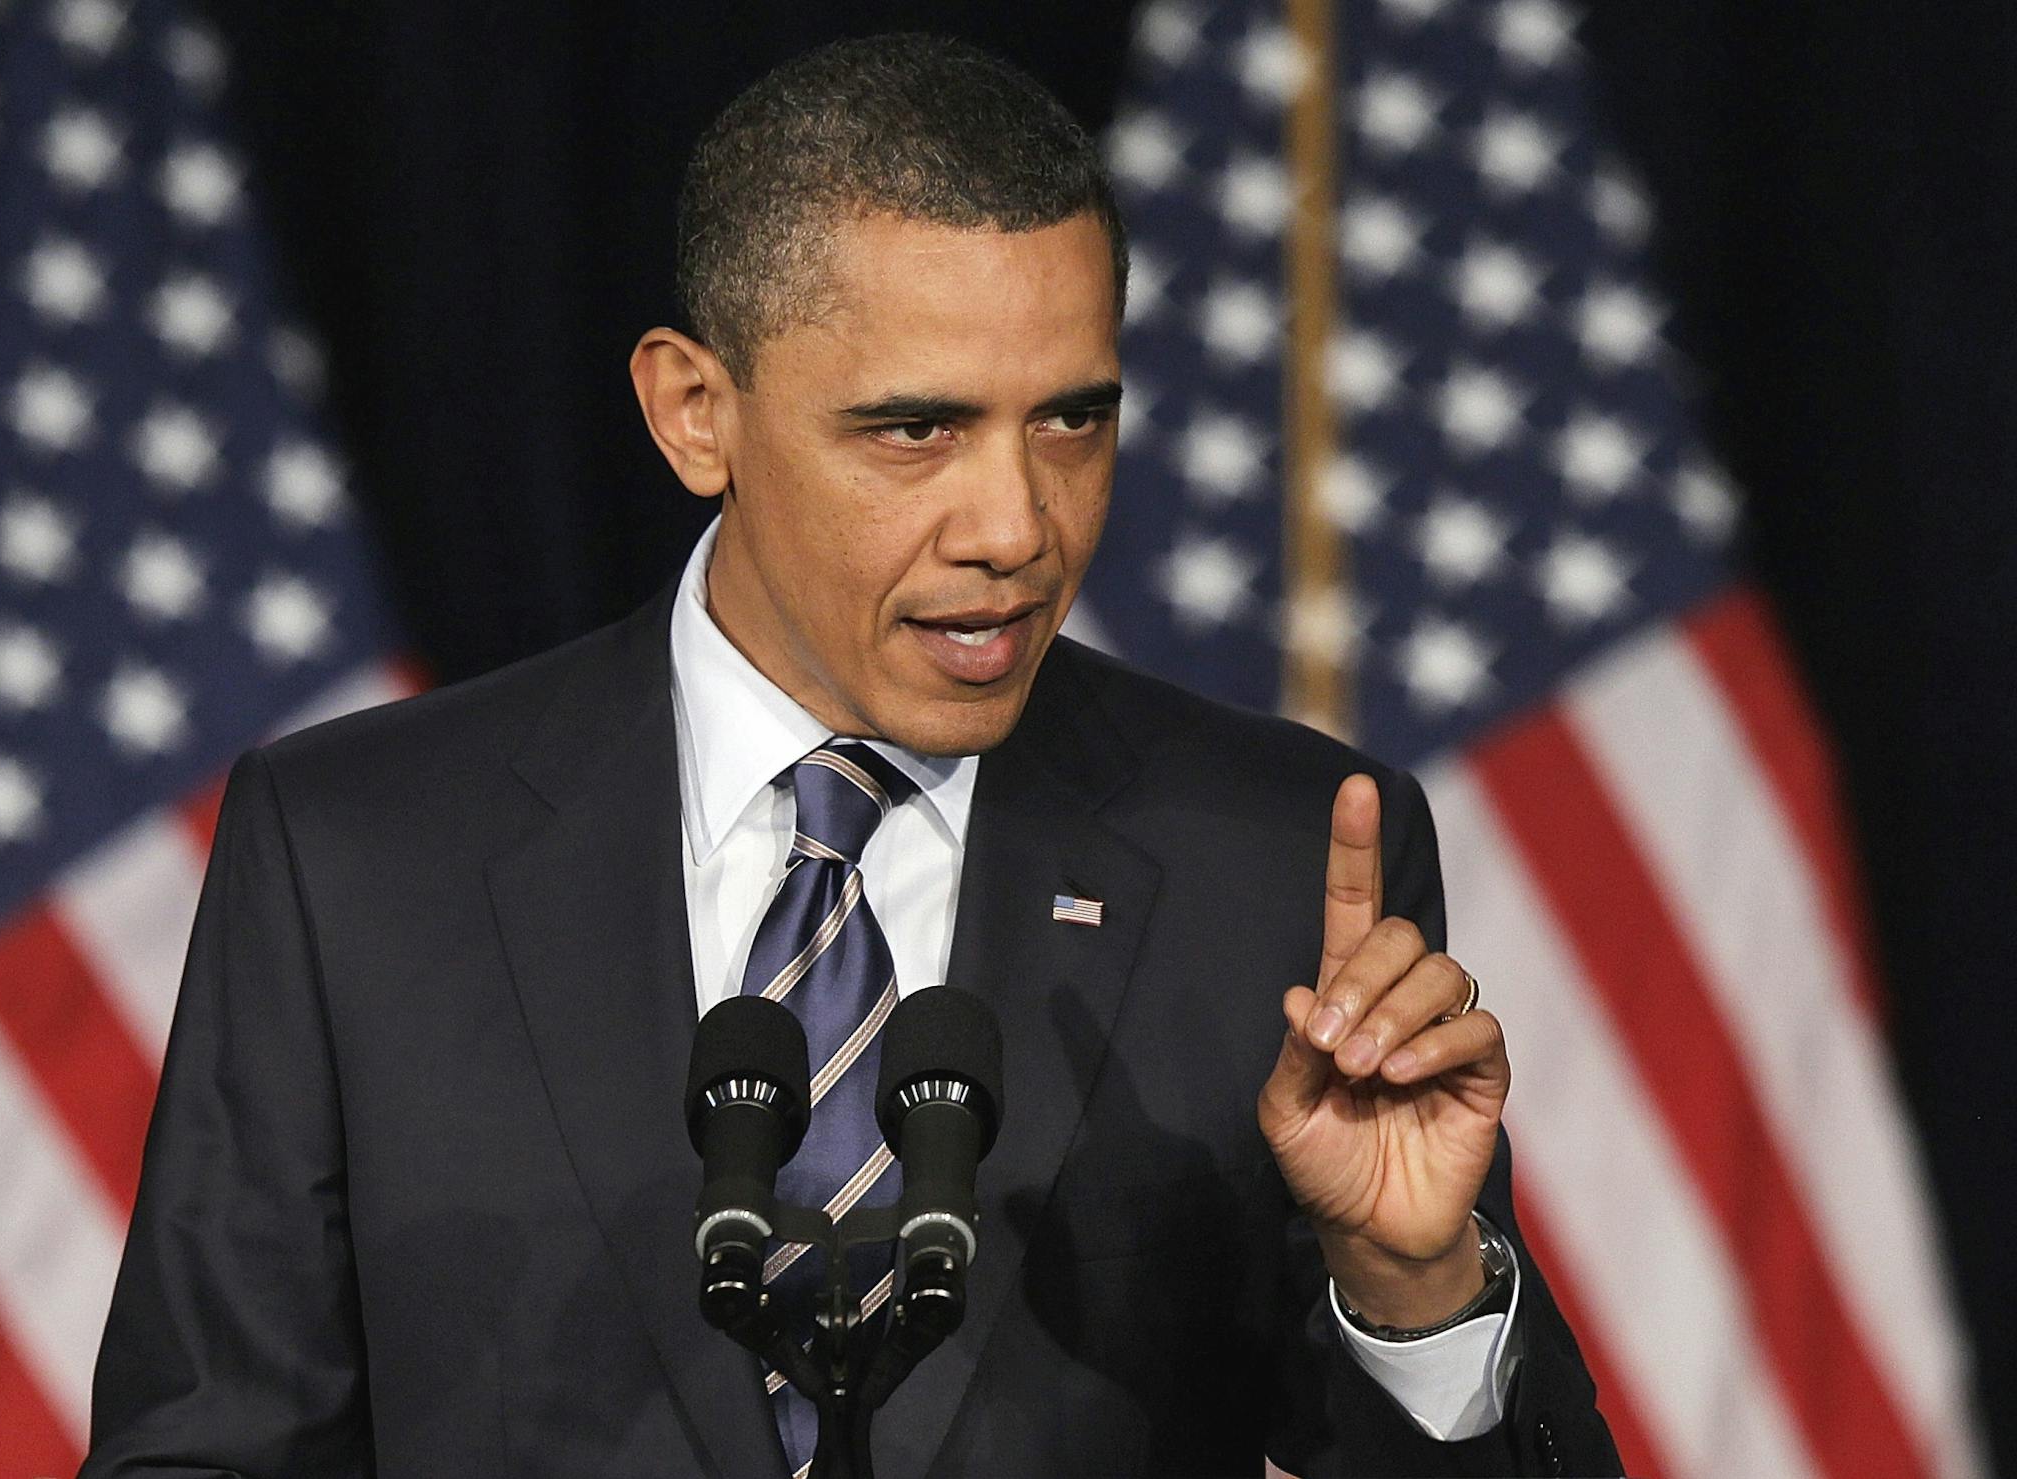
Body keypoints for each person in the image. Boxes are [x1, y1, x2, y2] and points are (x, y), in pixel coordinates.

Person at [83, 33, 1621, 1479]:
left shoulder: (1271, 861)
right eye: (915, 432)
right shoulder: (357, 858)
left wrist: (1417, 1286)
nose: (1019, 527)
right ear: (698, 413)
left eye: (1072, 421)